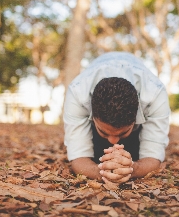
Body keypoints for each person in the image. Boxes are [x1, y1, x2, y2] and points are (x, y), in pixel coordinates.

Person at [63, 52, 170, 183]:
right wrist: (102, 171)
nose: (113, 141)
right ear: (93, 115)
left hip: (137, 131)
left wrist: (133, 169)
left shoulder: (155, 93)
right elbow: (78, 156)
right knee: (98, 154)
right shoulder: (78, 92)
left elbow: (153, 155)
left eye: (123, 132)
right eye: (104, 131)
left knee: (133, 152)